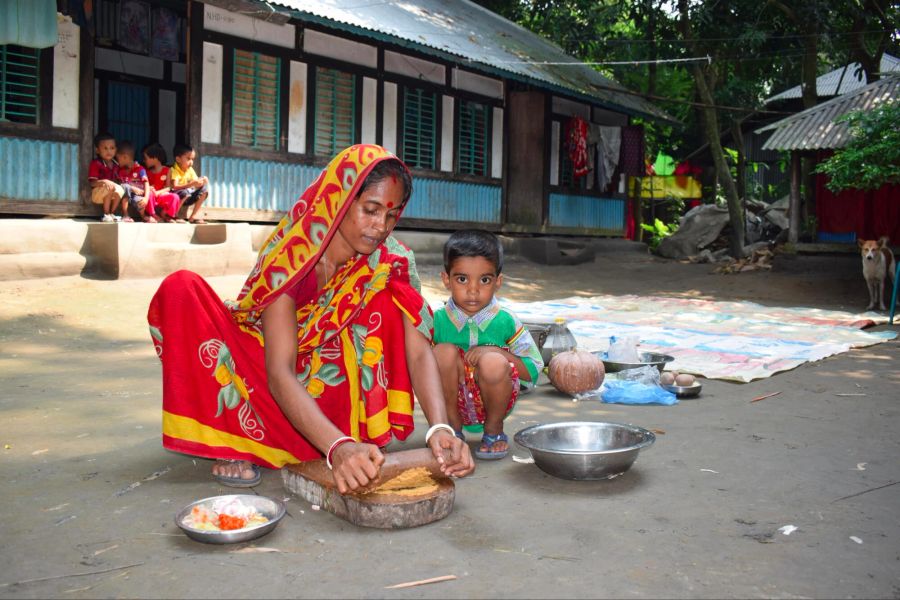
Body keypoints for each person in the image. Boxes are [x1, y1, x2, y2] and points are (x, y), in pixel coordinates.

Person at [148, 145, 474, 492]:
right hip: (269, 375)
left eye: (391, 216)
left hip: (328, 389)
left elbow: (418, 350)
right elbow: (278, 372)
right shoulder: (293, 255)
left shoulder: (388, 260)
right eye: (370, 210)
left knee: (389, 297)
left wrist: (440, 429)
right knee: (180, 290)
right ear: (340, 200)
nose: (381, 226)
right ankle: (240, 440)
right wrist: (338, 448)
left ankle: (336, 437)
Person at [431, 230, 543, 460]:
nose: (473, 290)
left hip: (496, 400)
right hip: (451, 403)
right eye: (462, 279)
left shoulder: (505, 321)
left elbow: (533, 369)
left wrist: (497, 351)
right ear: (446, 279)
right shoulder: (437, 320)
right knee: (441, 353)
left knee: (493, 361)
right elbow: (417, 367)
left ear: (498, 282)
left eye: (484, 280)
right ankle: (452, 431)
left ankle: (493, 431)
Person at [115, 140, 157, 223]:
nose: (116, 161)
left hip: (136, 195)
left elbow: (146, 183)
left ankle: (143, 215)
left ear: (124, 157)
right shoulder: (119, 170)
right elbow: (119, 183)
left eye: (117, 158)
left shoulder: (140, 169)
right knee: (125, 187)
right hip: (125, 195)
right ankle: (125, 214)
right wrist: (131, 188)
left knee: (140, 202)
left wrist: (145, 198)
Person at [168, 143, 209, 224]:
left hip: (188, 196)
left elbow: (196, 181)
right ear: (178, 159)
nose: (191, 162)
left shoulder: (190, 170)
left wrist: (203, 180)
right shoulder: (174, 170)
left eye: (192, 159)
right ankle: (174, 215)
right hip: (178, 196)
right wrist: (190, 185)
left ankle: (193, 216)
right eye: (188, 159)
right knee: (185, 192)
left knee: (204, 190)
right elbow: (174, 187)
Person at [88, 132, 125, 222]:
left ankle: (112, 213)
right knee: (109, 187)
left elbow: (120, 179)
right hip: (98, 194)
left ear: (116, 150)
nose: (109, 151)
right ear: (97, 150)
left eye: (112, 148)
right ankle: (106, 214)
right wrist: (104, 181)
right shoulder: (96, 163)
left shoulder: (117, 164)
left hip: (111, 192)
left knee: (121, 189)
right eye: (105, 148)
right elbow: (92, 183)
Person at [141, 143, 182, 223]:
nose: (144, 161)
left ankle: (167, 215)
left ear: (155, 158)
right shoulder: (146, 172)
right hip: (151, 197)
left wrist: (158, 192)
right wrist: (150, 190)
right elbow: (145, 186)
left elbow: (168, 187)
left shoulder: (167, 170)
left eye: (145, 158)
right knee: (149, 194)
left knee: (175, 197)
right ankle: (152, 214)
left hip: (160, 196)